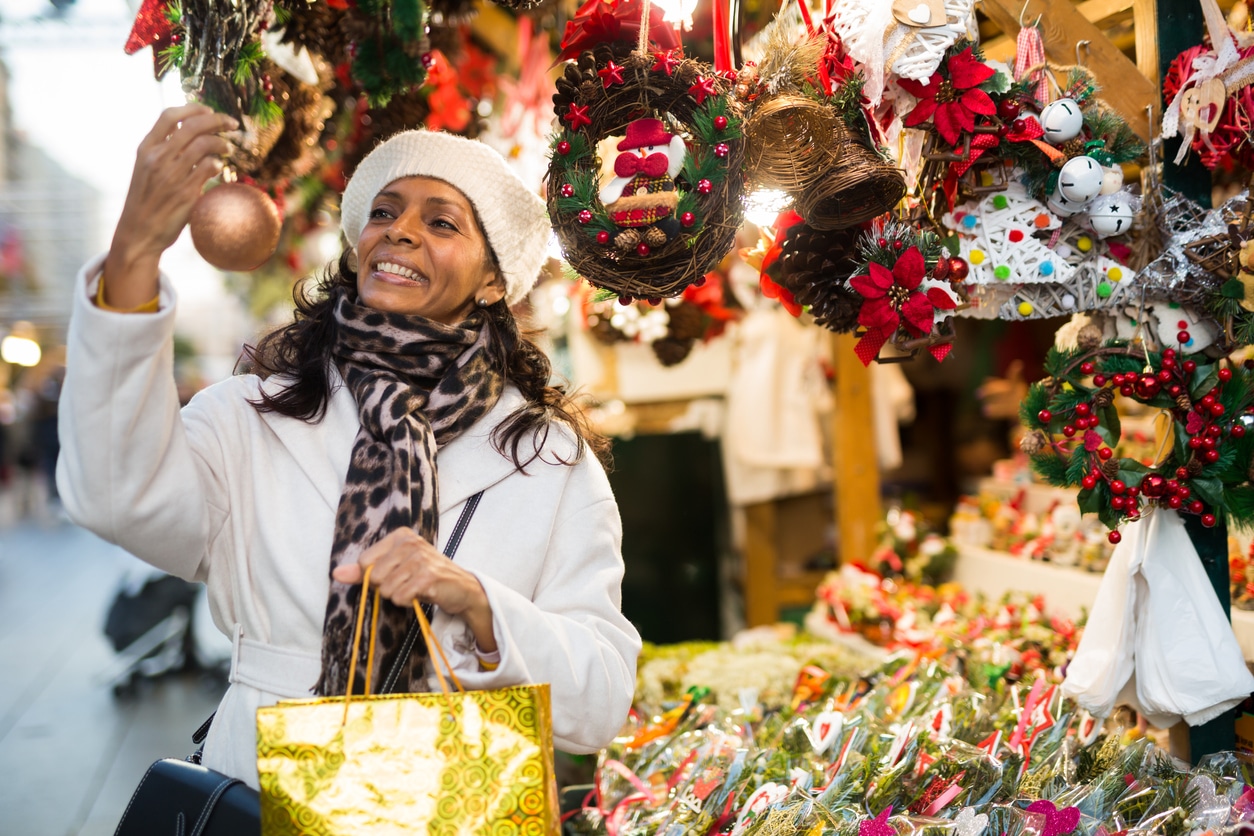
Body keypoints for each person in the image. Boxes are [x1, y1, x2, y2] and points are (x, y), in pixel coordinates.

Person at [57, 104, 641, 788]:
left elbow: (600, 697)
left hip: (457, 800)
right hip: (270, 792)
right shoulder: (255, 417)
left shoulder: (547, 458)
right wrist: (133, 254)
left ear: (493, 279)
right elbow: (112, 495)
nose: (402, 232)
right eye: (386, 213)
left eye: (442, 221)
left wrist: (479, 604)